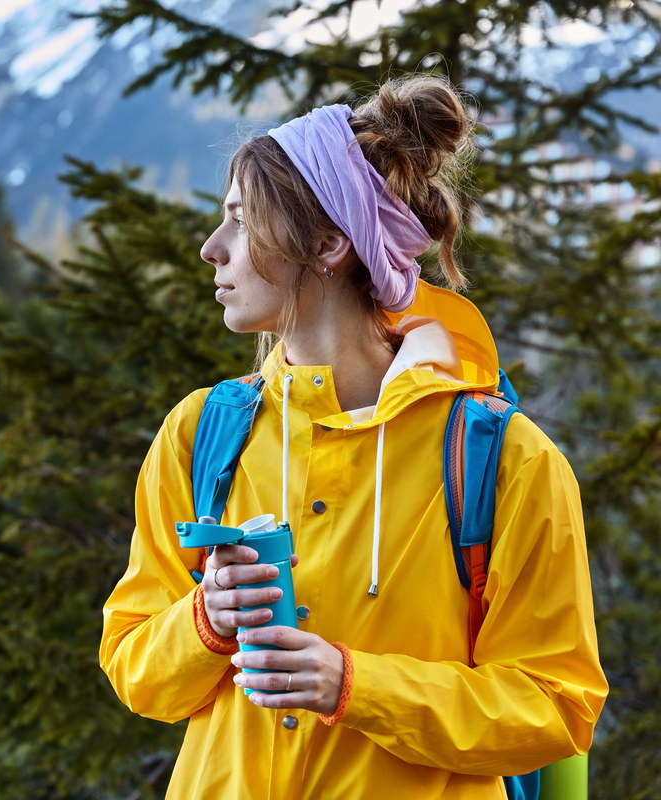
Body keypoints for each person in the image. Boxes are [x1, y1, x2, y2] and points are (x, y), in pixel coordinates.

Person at [98, 75, 608, 799]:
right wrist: (205, 620)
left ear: (331, 241)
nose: (213, 249)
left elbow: (555, 707)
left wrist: (355, 685)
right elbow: (136, 673)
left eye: (241, 222)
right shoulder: (200, 434)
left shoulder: (504, 462)